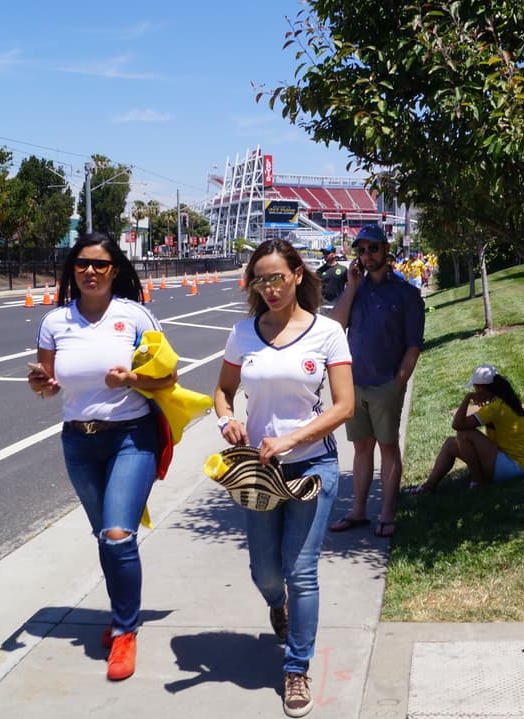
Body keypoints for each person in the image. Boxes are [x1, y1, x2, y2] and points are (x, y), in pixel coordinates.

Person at [213, 239, 354, 717]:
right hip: (260, 469)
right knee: (265, 572)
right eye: (260, 279)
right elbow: (223, 391)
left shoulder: (328, 333)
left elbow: (344, 406)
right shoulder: (242, 334)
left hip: (313, 467)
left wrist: (293, 440)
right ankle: (279, 606)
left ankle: (296, 668)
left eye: (278, 277)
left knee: (302, 570)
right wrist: (226, 421)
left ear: (297, 274)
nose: (270, 288)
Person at [26, 232, 175, 682]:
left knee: (116, 535)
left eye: (101, 265)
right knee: (105, 536)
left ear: (115, 271)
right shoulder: (55, 322)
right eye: (82, 264)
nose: (91, 272)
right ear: (72, 269)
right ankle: (121, 612)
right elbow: (44, 382)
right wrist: (41, 385)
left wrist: (132, 378)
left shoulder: (134, 316)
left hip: (132, 435)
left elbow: (167, 375)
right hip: (79, 441)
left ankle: (126, 631)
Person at [327, 224, 425, 538]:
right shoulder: (354, 289)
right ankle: (358, 510)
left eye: (373, 248)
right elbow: (336, 326)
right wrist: (353, 287)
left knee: (388, 447)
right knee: (361, 448)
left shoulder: (407, 293)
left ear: (386, 250)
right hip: (354, 384)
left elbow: (413, 345)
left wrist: (399, 381)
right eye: (361, 250)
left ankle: (386, 512)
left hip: (386, 384)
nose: (367, 256)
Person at [403, 364, 524, 494]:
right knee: (450, 444)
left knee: (464, 433)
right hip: (510, 461)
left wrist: (467, 398)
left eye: (475, 387)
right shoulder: (500, 400)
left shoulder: (495, 407)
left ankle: (478, 482)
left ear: (481, 387)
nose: (475, 390)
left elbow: (457, 424)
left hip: (513, 466)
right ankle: (428, 487)